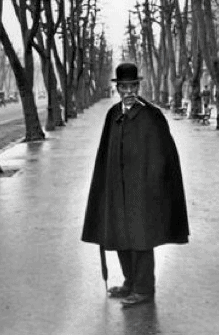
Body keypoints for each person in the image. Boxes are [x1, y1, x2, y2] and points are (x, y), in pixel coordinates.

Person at [81, 62, 189, 308]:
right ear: (118, 88)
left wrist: (155, 186)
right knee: (120, 236)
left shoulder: (151, 115)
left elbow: (164, 155)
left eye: (133, 86)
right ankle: (129, 282)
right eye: (124, 87)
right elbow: (105, 153)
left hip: (143, 190)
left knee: (141, 239)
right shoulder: (113, 114)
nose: (129, 91)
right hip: (118, 190)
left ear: (138, 86)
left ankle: (144, 289)